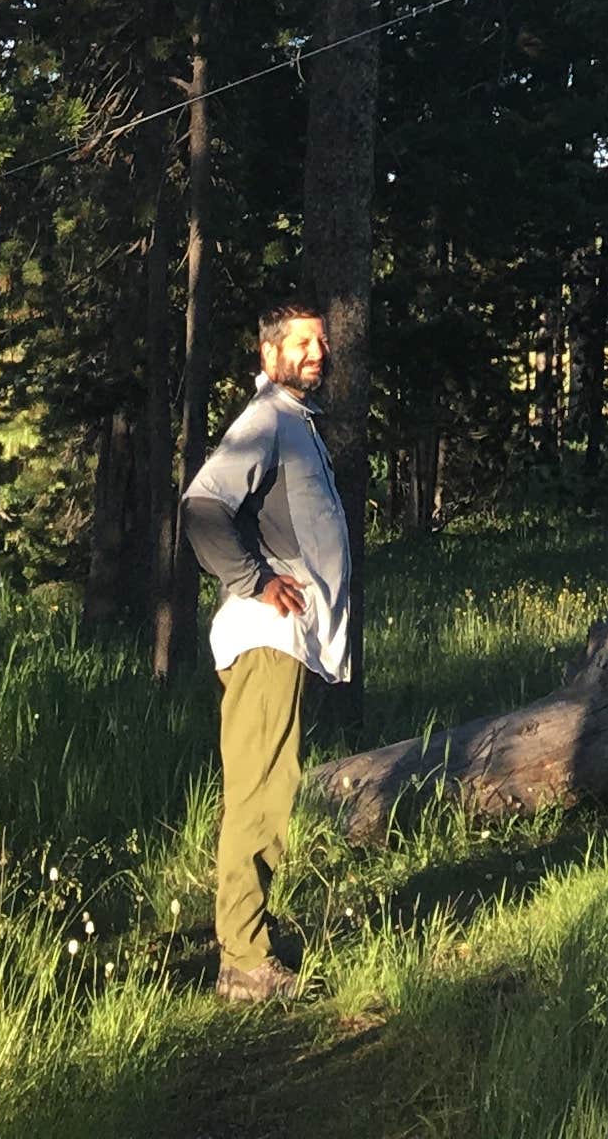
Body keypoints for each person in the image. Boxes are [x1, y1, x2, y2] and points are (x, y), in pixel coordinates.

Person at [180, 299, 354, 1000]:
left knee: (268, 787)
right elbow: (201, 507)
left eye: (323, 343)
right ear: (270, 355)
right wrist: (254, 580)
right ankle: (245, 962)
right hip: (265, 637)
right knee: (261, 792)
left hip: (286, 640)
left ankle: (250, 935)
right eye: (305, 343)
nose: (319, 352)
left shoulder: (296, 425)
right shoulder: (264, 422)